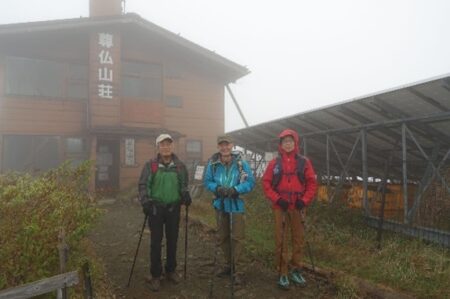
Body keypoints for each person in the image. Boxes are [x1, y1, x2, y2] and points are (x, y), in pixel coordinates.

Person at [262, 129, 317, 290]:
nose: (288, 144)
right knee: (281, 240)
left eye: (290, 141)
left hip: (298, 207)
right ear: (281, 145)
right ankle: (283, 272)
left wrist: (304, 200)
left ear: (295, 143)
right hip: (281, 207)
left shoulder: (304, 162)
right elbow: (266, 183)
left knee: (298, 240)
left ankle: (296, 269)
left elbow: (312, 183)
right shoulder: (274, 163)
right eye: (284, 141)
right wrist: (277, 199)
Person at [138, 133, 191, 292]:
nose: (165, 147)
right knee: (155, 242)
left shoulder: (180, 166)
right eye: (162, 144)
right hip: (155, 208)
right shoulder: (151, 165)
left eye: (168, 144)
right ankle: (155, 275)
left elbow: (184, 185)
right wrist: (145, 201)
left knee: (173, 240)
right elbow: (143, 185)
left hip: (174, 208)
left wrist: (186, 195)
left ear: (172, 146)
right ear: (158, 147)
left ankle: (170, 270)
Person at [203, 134, 255, 285]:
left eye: (227, 144)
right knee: (223, 236)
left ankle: (238, 270)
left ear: (232, 145)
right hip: (220, 204)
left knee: (238, 237)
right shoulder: (212, 163)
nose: (224, 147)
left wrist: (236, 189)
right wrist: (217, 188)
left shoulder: (241, 163)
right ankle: (228, 265)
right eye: (221, 145)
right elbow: (207, 182)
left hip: (237, 204)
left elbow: (250, 182)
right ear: (218, 146)